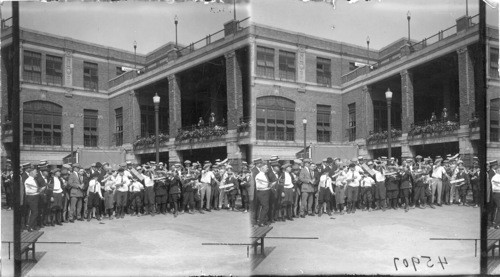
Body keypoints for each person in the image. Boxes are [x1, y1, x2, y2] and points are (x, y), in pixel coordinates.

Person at [24, 167, 41, 232]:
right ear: (31, 173)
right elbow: (28, 191)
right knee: (34, 212)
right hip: (31, 197)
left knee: (35, 212)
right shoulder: (28, 180)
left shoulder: (33, 180)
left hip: (35, 197)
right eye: (35, 172)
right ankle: (30, 227)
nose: (37, 173)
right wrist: (38, 190)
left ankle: (32, 226)